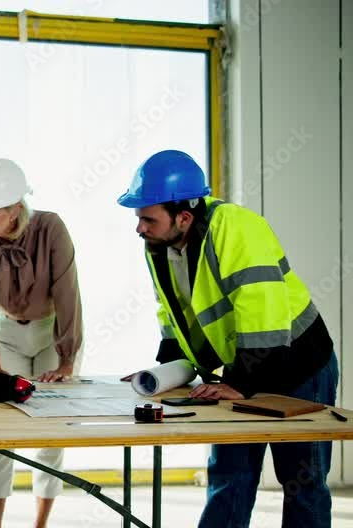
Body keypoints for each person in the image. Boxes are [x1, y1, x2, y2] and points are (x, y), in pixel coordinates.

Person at [118, 150, 338, 528]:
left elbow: (262, 311)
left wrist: (241, 383)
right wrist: (167, 370)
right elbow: (173, 313)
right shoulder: (160, 244)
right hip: (246, 364)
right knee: (229, 476)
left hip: (300, 365)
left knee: (301, 483)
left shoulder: (236, 228)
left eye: (147, 218)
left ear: (183, 216)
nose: (139, 228)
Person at [0, 158, 83, 528]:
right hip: (5, 332)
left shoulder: (52, 227)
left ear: (15, 209)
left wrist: (66, 359)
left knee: (52, 430)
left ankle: (40, 524)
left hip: (52, 332)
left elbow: (67, 294)